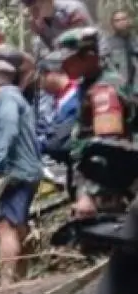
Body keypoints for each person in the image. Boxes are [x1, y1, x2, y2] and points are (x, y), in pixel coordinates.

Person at [55, 27, 135, 217]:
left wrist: (88, 194)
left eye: (70, 60)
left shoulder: (104, 90)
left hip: (108, 191)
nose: (64, 65)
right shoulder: (88, 84)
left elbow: (106, 150)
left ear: (90, 57)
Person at [0, 61, 44, 285]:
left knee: (3, 226)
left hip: (13, 174)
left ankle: (7, 281)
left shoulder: (5, 98)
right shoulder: (11, 98)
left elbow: (8, 128)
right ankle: (20, 277)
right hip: (19, 172)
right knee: (16, 225)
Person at [37, 55, 81, 156]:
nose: (40, 85)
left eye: (41, 78)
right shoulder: (57, 98)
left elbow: (57, 140)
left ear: (50, 74)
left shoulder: (75, 96)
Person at [21, 0, 95, 55]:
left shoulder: (72, 10)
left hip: (87, 55)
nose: (33, 13)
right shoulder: (40, 22)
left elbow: (85, 42)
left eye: (36, 8)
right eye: (30, 9)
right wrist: (40, 34)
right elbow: (50, 49)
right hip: (64, 62)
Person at [107, 9, 138, 94]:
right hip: (120, 90)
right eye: (117, 20)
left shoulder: (135, 41)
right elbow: (107, 68)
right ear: (113, 24)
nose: (121, 22)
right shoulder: (108, 44)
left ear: (129, 21)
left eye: (124, 19)